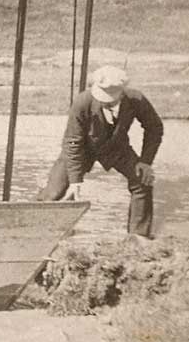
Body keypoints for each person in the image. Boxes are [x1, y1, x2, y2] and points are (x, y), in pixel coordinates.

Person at [38, 65, 164, 238]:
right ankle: (38, 228)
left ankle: (138, 237)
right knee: (55, 191)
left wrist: (145, 162)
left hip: (117, 148)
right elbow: (72, 142)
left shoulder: (136, 99)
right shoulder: (83, 101)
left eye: (111, 98)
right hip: (82, 149)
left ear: (122, 92)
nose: (105, 101)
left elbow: (155, 128)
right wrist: (75, 181)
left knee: (142, 181)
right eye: (102, 96)